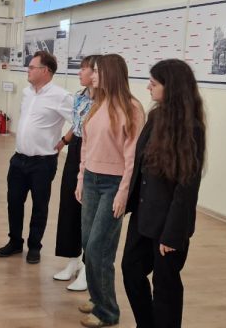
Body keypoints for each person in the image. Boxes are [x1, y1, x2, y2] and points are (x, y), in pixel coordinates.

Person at [121, 59, 206, 328]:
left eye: (154, 83)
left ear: (172, 88)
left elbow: (187, 185)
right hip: (144, 214)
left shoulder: (192, 128)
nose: (149, 87)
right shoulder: (156, 117)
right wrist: (125, 198)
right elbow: (140, 165)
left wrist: (173, 233)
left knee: (165, 285)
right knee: (131, 270)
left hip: (169, 223)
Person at [75, 53, 145, 328]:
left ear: (110, 74)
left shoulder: (132, 108)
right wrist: (81, 178)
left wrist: (123, 193)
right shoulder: (98, 103)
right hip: (91, 180)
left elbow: (132, 158)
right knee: (87, 243)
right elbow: (86, 146)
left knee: (99, 248)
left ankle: (108, 311)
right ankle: (97, 297)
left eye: (96, 71)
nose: (91, 75)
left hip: (113, 184)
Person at [0, 51, 73, 264]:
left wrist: (65, 140)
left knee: (40, 206)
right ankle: (15, 242)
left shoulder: (61, 96)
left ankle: (34, 246)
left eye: (32, 67)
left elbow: (82, 120)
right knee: (14, 203)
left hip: (43, 163)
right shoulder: (26, 92)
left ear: (45, 71)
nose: (28, 70)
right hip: (18, 159)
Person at [53, 54, 101, 291]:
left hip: (95, 151)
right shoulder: (80, 96)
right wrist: (64, 140)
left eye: (84, 69)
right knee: (69, 204)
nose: (80, 73)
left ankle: (87, 267)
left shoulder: (106, 101)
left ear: (96, 73)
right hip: (76, 149)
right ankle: (73, 259)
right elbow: (77, 123)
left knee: (88, 210)